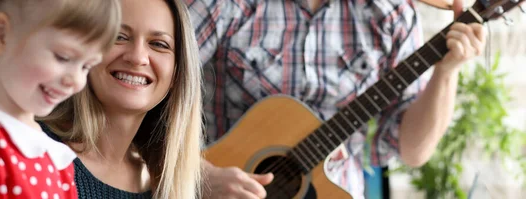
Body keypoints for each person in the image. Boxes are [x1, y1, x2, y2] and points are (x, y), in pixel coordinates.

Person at [186, 0, 487, 198]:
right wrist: (201, 175)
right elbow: (151, 93)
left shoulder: (393, 14)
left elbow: (412, 151)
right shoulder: (227, 3)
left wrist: (446, 73)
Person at [0, 0, 121, 198]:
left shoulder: (55, 154)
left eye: (86, 67)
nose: (76, 81)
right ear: (0, 34)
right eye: (63, 57)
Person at [37, 0, 204, 198]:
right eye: (119, 37)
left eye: (159, 44)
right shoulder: (32, 148)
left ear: (177, 73)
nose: (137, 57)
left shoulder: (162, 183)